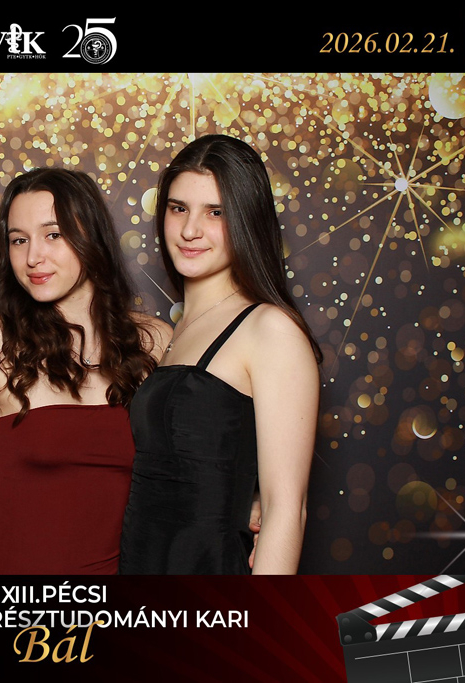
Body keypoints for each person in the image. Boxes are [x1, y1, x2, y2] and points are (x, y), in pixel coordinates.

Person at [119, 134, 321, 575]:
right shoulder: (172, 335)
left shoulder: (270, 329)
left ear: (247, 219)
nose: (190, 230)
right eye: (178, 209)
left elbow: (287, 510)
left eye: (216, 212)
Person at [0, 167, 171, 575]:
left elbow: (187, 476)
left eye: (53, 235)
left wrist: (249, 506)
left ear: (91, 237)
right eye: (18, 240)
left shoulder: (155, 341)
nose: (32, 257)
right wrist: (10, 509)